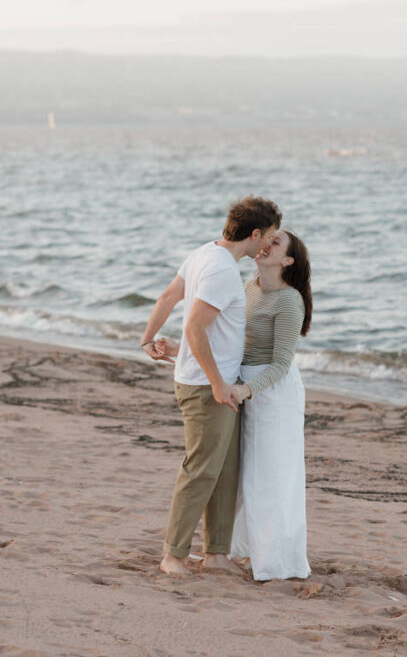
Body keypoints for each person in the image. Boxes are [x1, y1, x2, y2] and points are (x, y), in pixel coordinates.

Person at [140, 195, 281, 576]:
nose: (269, 245)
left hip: (215, 383)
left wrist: (148, 338)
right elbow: (194, 327)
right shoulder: (220, 269)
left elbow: (169, 296)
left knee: (226, 470)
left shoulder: (205, 253)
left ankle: (217, 554)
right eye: (268, 237)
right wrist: (218, 384)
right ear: (254, 234)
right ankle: (173, 556)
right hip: (207, 388)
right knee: (201, 470)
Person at [228, 230, 313, 581]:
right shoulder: (247, 289)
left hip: (273, 394)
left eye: (276, 243)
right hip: (245, 385)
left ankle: (277, 561)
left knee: (273, 476)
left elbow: (280, 365)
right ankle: (243, 549)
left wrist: (247, 391)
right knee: (247, 472)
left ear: (287, 261)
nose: (266, 244)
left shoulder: (290, 301)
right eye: (267, 238)